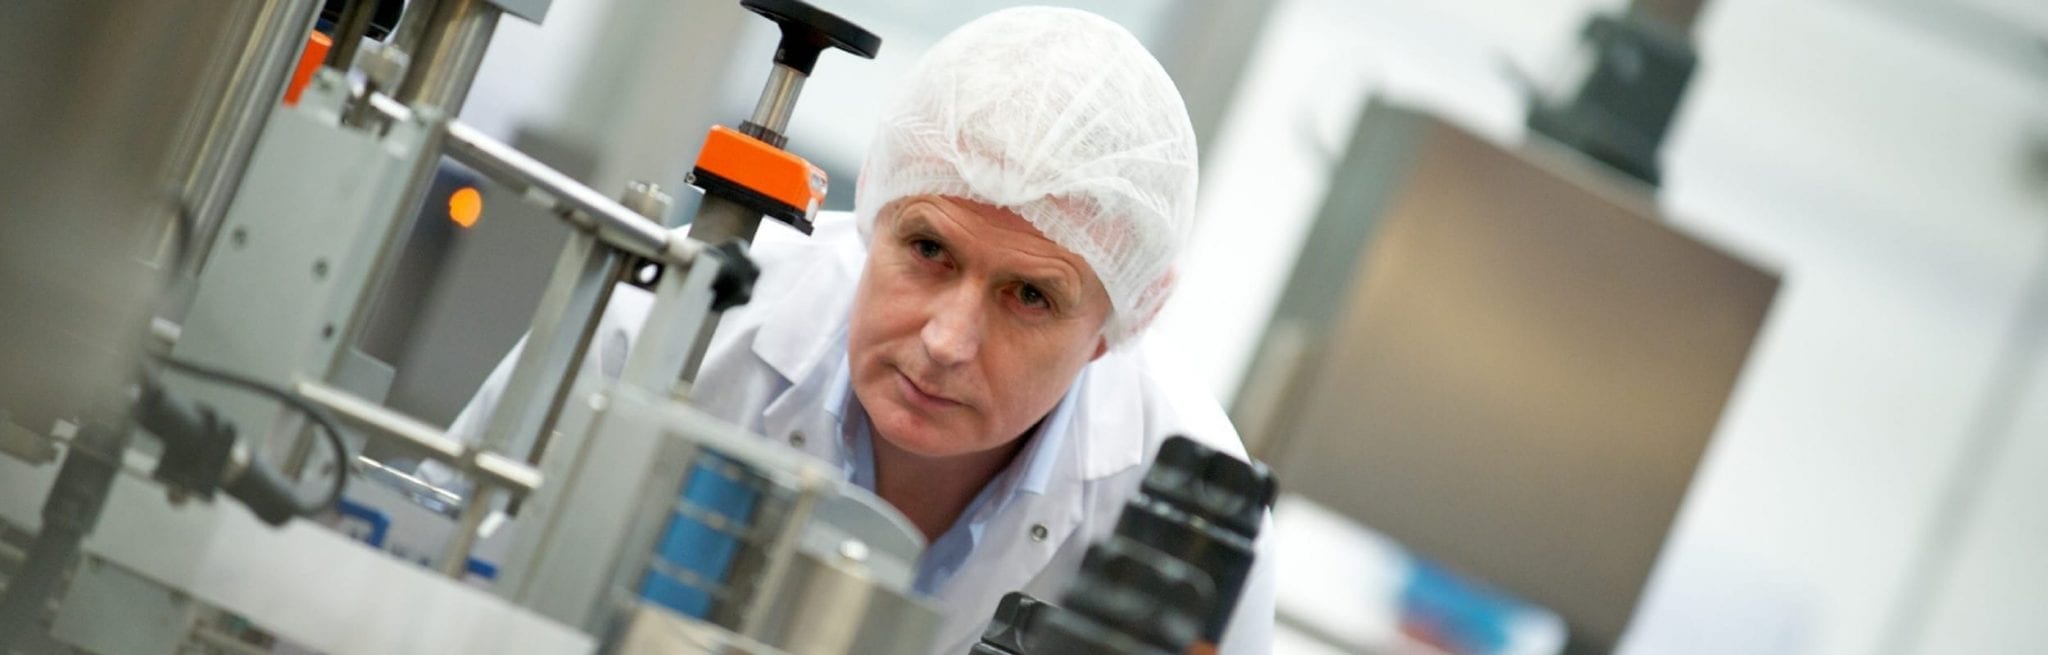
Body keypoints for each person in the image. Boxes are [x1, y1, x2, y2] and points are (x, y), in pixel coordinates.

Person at [427, 6, 1274, 653]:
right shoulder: (671, 326)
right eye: (929, 250)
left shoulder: (1197, 536)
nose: (946, 341)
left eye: (1029, 296)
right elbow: (428, 567)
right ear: (876, 211)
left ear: (1114, 328)